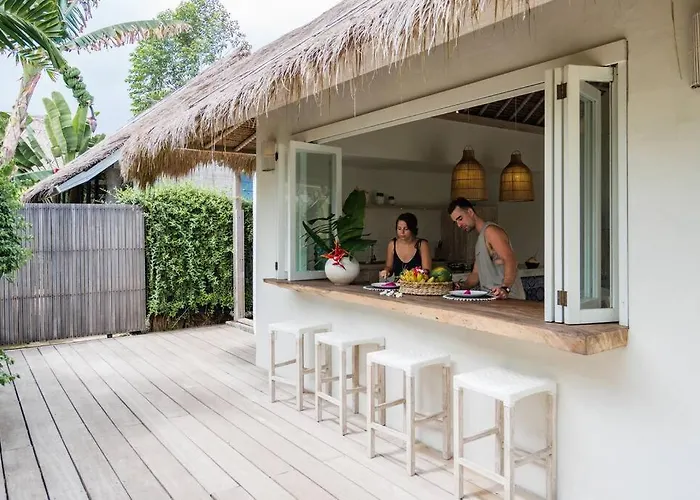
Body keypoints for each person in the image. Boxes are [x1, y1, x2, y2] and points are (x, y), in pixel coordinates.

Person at [447, 198, 525, 300]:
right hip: (493, 299)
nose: (459, 225)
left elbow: (510, 259)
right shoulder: (480, 239)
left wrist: (505, 288)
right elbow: (475, 274)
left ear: (470, 212)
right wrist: (460, 286)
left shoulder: (491, 231)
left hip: (510, 299)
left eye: (460, 219)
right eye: (456, 222)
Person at [378, 213, 432, 279]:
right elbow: (389, 267)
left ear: (412, 229)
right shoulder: (392, 244)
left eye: (406, 229)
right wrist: (386, 271)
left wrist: (416, 274)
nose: (402, 232)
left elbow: (427, 270)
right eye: (399, 229)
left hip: (417, 284)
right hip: (398, 284)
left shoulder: (422, 244)